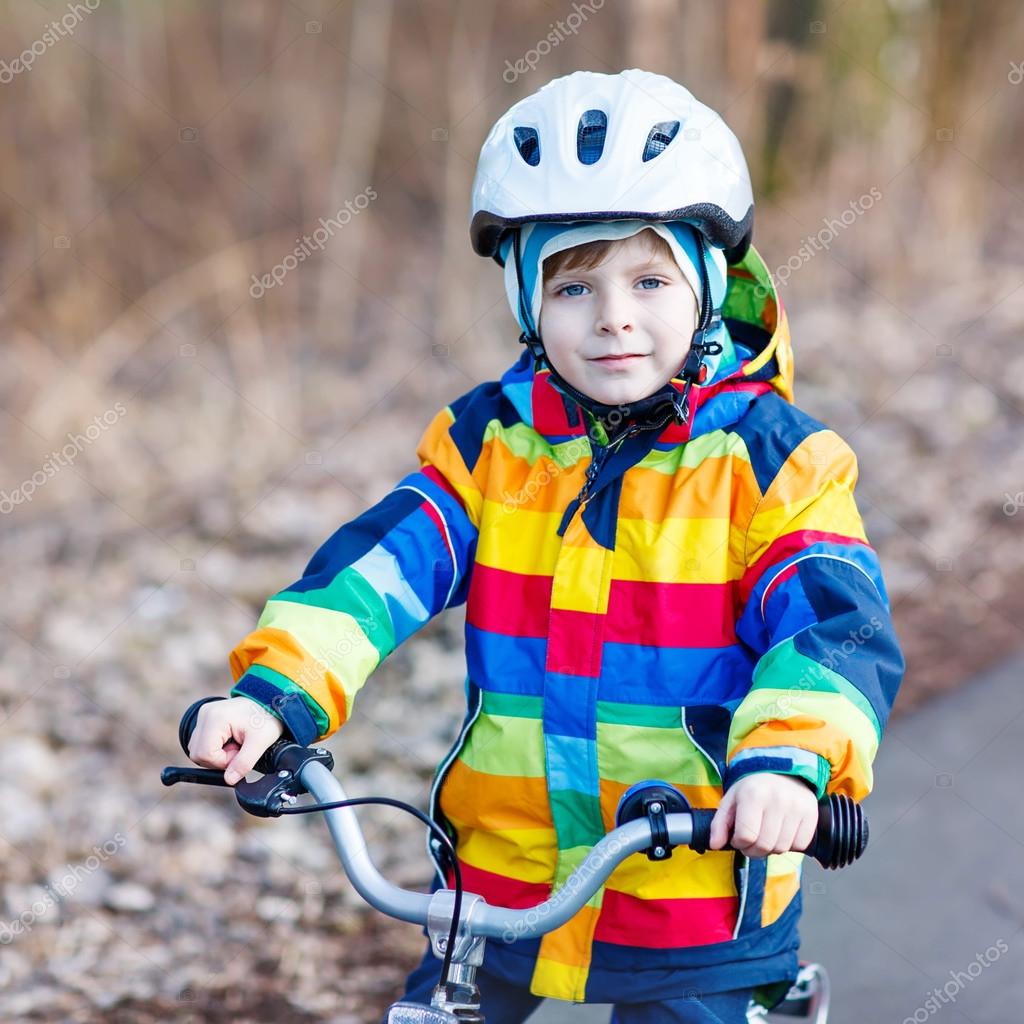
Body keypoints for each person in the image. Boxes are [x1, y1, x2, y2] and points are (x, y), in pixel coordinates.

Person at [186, 69, 905, 1023]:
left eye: (650, 281)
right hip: (499, 877)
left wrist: (786, 763)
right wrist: (272, 694)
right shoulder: (493, 445)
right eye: (573, 286)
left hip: (696, 886)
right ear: (527, 302)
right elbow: (377, 574)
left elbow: (834, 632)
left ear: (709, 284)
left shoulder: (774, 464)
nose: (613, 317)